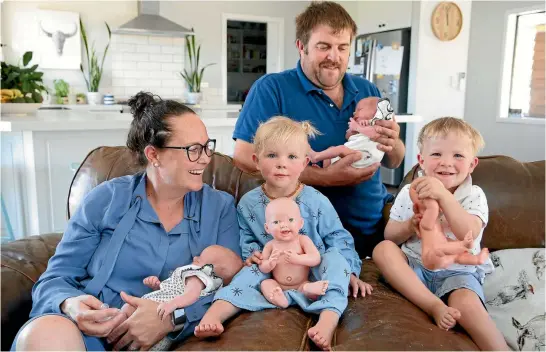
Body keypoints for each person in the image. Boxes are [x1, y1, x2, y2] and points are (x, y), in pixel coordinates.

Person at [12, 92, 241, 351]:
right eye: (193, 149)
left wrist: (171, 319)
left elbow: (234, 288)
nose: (205, 158)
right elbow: (56, 277)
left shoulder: (220, 208)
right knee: (44, 335)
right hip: (91, 333)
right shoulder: (106, 199)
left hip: (166, 340)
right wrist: (71, 304)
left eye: (207, 146)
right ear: (153, 155)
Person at [232, 1, 405, 258]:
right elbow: (244, 157)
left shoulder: (368, 90)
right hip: (305, 242)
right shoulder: (272, 89)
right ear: (302, 47)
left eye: (342, 48)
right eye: (323, 47)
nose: (334, 57)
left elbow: (394, 160)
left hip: (376, 232)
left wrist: (394, 141)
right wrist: (326, 178)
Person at [195, 117, 372, 351]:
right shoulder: (248, 203)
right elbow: (245, 236)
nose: (281, 164)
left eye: (291, 157)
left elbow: (338, 238)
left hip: (314, 270)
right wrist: (253, 255)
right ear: (256, 161)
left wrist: (349, 271)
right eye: (272, 155)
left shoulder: (316, 201)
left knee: (336, 262)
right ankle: (216, 314)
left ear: (305, 162)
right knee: (248, 274)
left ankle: (327, 322)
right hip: (271, 271)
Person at [372, 117, 508, 350]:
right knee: (382, 250)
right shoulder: (408, 192)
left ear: (472, 164)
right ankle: (434, 305)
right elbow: (390, 236)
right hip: (414, 266)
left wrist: (444, 197)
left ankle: (498, 348)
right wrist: (407, 226)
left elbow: (469, 233)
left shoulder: (474, 195)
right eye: (436, 155)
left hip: (457, 272)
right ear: (421, 161)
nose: (446, 163)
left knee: (466, 302)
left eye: (458, 156)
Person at [122, 245, 243, 351]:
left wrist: (173, 304)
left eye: (200, 258)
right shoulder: (207, 286)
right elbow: (174, 290)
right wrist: (157, 286)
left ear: (209, 270)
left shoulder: (198, 275)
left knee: (127, 309)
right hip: (162, 338)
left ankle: (114, 326)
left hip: (159, 313)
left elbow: (191, 294)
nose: (195, 258)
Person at [259, 197, 328, 307]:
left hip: (302, 283)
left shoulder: (302, 240)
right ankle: (280, 299)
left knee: (307, 287)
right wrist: (270, 264)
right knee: (265, 283)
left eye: (290, 220)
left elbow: (316, 258)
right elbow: (262, 266)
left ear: (300, 223)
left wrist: (298, 259)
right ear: (267, 228)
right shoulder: (270, 245)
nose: (284, 225)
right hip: (279, 285)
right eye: (276, 222)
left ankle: (310, 289)